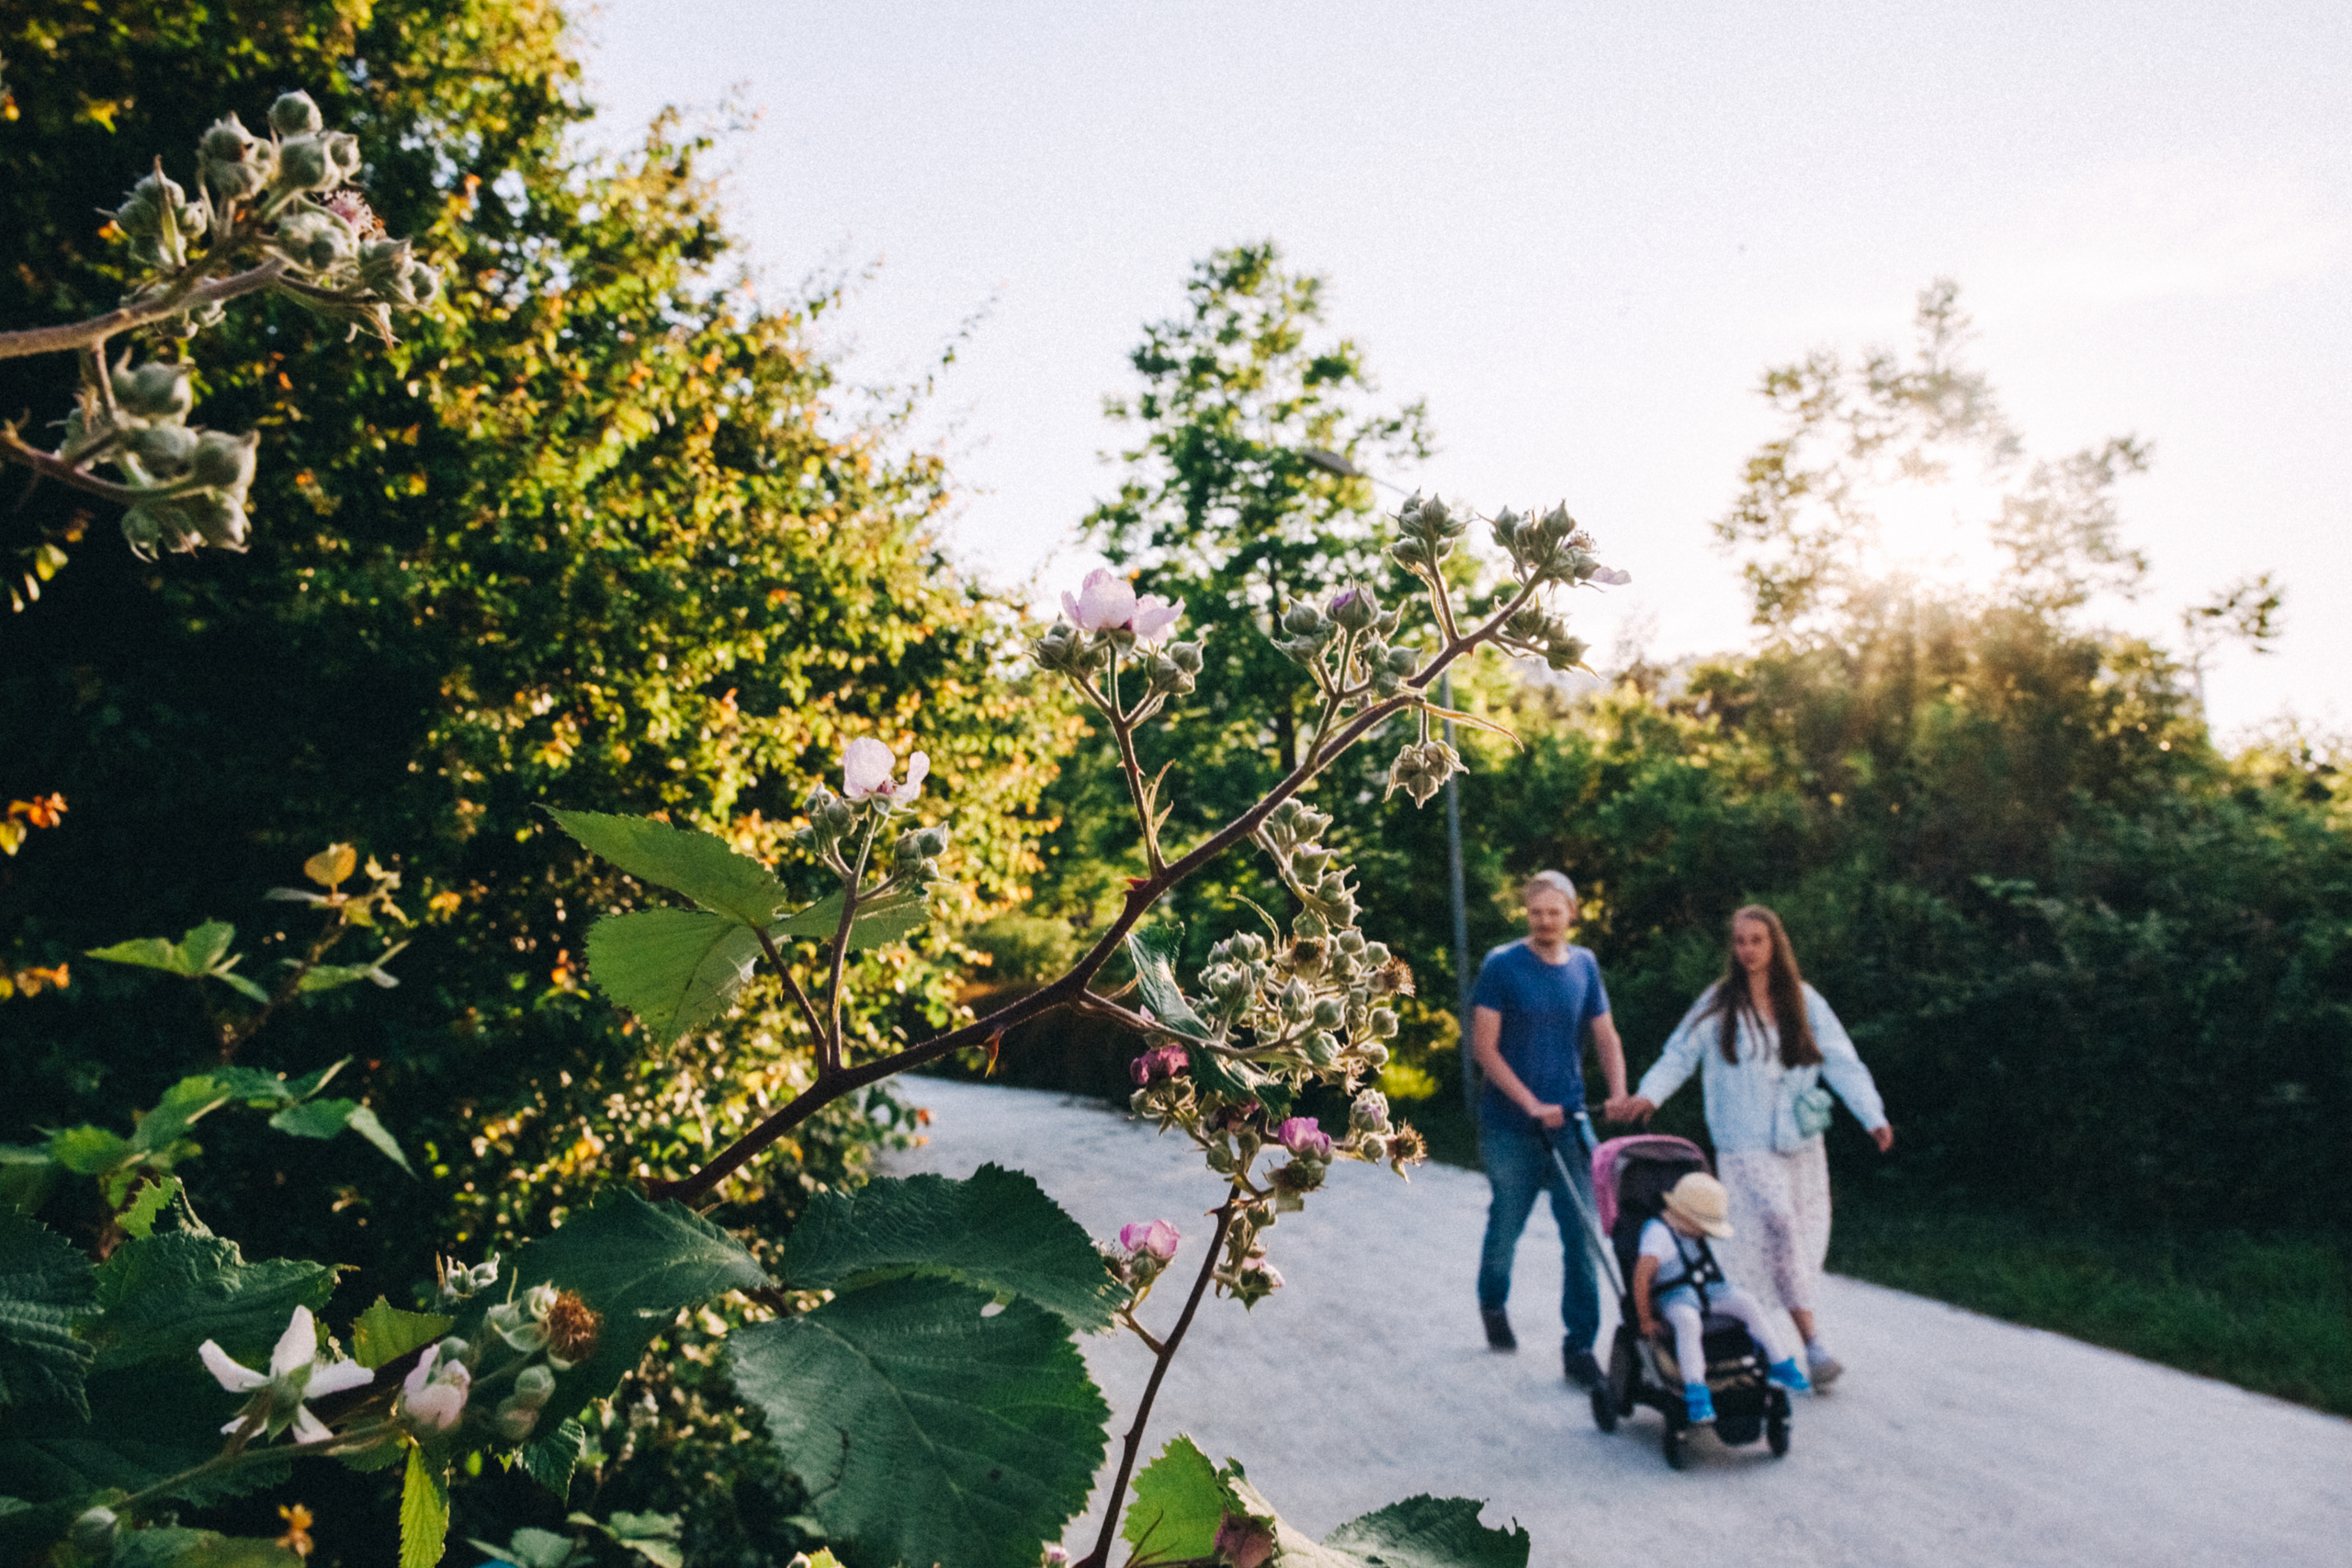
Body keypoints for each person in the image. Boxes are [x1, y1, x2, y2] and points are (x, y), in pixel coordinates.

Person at [1609, 904, 1892, 1387]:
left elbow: (1842, 1061)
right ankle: (1811, 1344)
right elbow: (1680, 1054)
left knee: (1795, 1240)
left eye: (1757, 941)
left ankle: (1755, 1337)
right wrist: (1649, 1095)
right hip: (1744, 1144)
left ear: (1775, 945)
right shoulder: (1719, 1003)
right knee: (1778, 1227)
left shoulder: (1803, 1001)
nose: (1748, 950)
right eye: (1740, 941)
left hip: (1799, 1142)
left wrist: (1872, 1115)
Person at [1470, 870, 1629, 1388]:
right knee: (1506, 1224)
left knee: (1583, 1236)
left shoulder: (1585, 965)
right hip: (1510, 1126)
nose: (1544, 921)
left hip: (1570, 1122)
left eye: (1554, 912)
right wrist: (1531, 1104)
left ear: (1571, 913)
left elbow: (1605, 1035)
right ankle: (1493, 1302)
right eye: (1536, 912)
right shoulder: (1501, 965)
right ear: (1527, 913)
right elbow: (1484, 1048)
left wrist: (1618, 1091)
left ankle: (1580, 1347)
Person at [1632, 1171, 1812, 1426]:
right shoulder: (1658, 1234)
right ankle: (1696, 1389)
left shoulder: (1693, 1232)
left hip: (1706, 1288)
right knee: (1688, 1321)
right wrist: (1645, 1320)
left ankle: (1780, 1363)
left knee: (1748, 1303)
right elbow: (1641, 1278)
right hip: (1674, 1295)